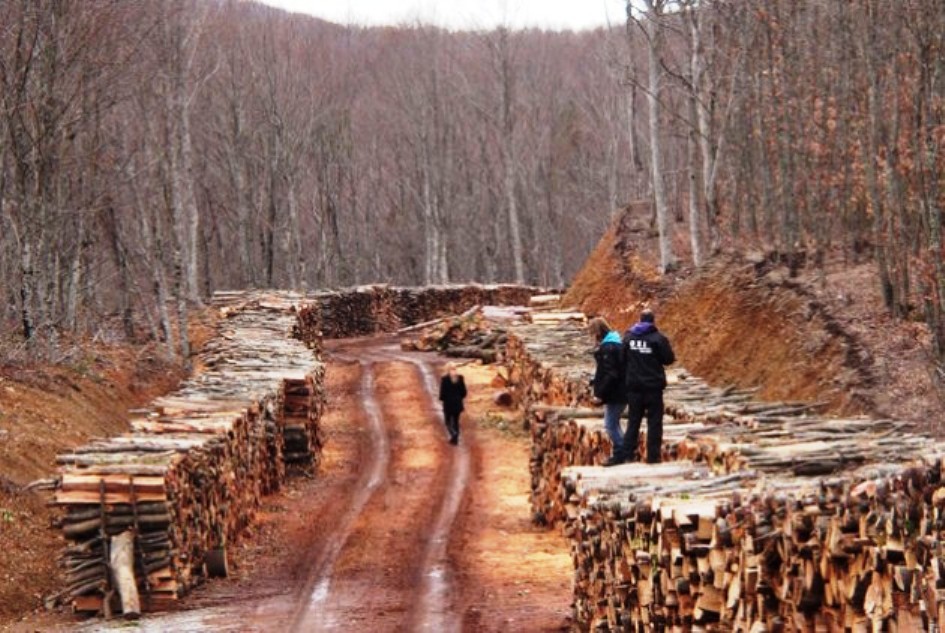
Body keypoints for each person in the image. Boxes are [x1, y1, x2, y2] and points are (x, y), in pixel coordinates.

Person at [622, 309, 675, 464]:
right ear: (652, 321)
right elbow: (668, 359)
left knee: (633, 421)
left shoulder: (628, 337)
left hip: (634, 387)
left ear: (639, 320)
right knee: (654, 422)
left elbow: (622, 358)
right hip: (653, 387)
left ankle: (627, 454)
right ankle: (653, 456)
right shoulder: (658, 339)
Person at [588, 317, 627, 467]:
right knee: (614, 423)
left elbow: (611, 374)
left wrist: (600, 394)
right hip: (622, 391)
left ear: (597, 333)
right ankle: (623, 451)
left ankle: (621, 453)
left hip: (616, 393)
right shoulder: (617, 344)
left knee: (610, 424)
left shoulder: (608, 348)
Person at [439, 362, 467, 445]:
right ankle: (456, 439)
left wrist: (442, 399)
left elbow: (442, 393)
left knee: (447, 421)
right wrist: (460, 398)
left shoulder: (445, 379)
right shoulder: (460, 378)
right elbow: (464, 392)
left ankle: (453, 434)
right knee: (456, 421)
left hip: (448, 403)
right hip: (458, 403)